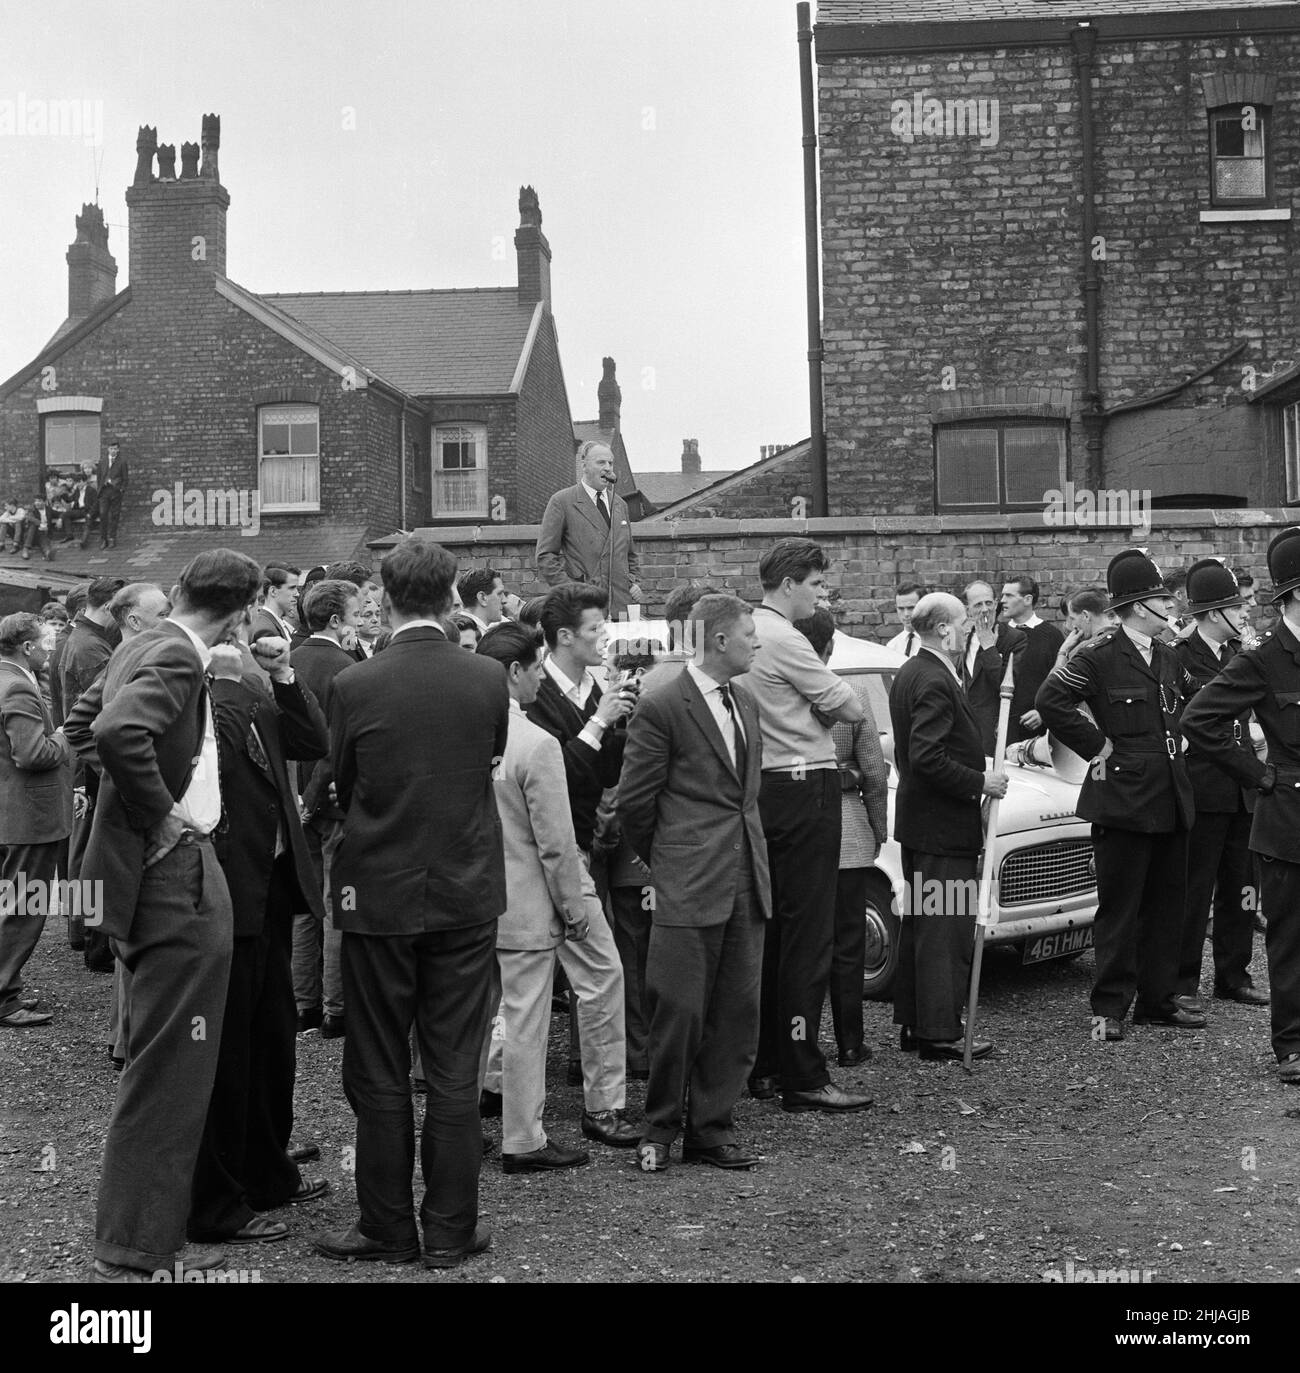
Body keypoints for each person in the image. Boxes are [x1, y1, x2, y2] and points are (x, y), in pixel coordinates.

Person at [312, 540, 507, 1270]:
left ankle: (388, 1225)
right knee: (456, 1069)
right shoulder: (487, 676)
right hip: (464, 891)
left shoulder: (356, 683)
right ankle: (451, 1230)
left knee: (379, 1066)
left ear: (385, 597)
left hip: (379, 894)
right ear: (453, 593)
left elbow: (342, 780)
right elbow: (490, 757)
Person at [85, 548, 262, 1282]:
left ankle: (144, 1236)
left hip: (156, 873)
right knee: (172, 1068)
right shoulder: (180, 657)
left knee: (166, 1058)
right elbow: (114, 732)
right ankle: (136, 1246)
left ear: (185, 588)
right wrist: (156, 815)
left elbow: (82, 720)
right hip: (175, 876)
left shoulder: (141, 642)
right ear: (243, 609)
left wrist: (120, 811)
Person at [187, 623, 331, 1246]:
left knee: (273, 1039)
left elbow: (309, 739)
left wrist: (283, 677)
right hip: (225, 889)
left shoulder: (252, 687)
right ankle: (218, 1199)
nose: (255, 643)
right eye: (245, 628)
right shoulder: (202, 690)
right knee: (228, 1052)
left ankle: (267, 1167)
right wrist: (225, 678)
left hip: (268, 883)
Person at [620, 593, 772, 1170]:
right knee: (678, 1009)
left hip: (744, 879)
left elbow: (747, 796)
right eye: (750, 634)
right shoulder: (663, 705)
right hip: (687, 879)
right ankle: (659, 1126)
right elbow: (635, 803)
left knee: (737, 1009)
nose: (758, 643)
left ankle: (712, 1129)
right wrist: (670, 860)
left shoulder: (747, 701)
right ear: (720, 641)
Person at [1036, 549, 1201, 1042]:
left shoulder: (1169, 655)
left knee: (1167, 905)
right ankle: (1110, 1006)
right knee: (1120, 908)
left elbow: (1185, 707)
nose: (1168, 609)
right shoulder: (1100, 655)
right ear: (1136, 606)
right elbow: (1050, 700)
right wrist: (1097, 745)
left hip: (1170, 794)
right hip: (1123, 796)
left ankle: (1157, 1000)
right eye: (1159, 601)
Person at [736, 538, 871, 1114]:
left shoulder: (743, 630)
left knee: (774, 933)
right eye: (816, 583)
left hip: (764, 787)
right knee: (808, 937)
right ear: (789, 583)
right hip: (803, 784)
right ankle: (804, 1074)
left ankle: (766, 1065)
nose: (822, 592)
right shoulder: (786, 636)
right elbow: (852, 707)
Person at [477, 622, 597, 1173]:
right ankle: (523, 1138)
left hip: (468, 905)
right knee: (525, 1024)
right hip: (523, 907)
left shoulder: (460, 733)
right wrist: (573, 908)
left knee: (470, 1022)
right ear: (514, 672)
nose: (539, 680)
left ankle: (461, 1128)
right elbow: (556, 843)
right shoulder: (537, 743)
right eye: (533, 669)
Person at [522, 585, 639, 1146]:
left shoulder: (596, 687)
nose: (604, 639)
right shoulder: (533, 691)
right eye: (595, 629)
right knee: (587, 972)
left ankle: (514, 1093)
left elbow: (603, 771)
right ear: (564, 636)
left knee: (570, 976)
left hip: (581, 845)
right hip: (545, 851)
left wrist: (615, 720)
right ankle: (601, 1105)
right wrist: (599, 725)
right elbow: (552, 775)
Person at [1182, 528, 1300, 1084]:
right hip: (1289, 820)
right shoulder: (1264, 660)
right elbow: (1199, 722)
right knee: (1290, 938)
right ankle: (1293, 1047)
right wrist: (1260, 775)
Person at [889, 593, 1003, 1060]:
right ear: (942, 630)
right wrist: (981, 781)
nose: (970, 628)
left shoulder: (913, 672)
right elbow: (926, 756)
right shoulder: (933, 679)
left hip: (923, 827)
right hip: (942, 833)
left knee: (922, 925)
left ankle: (919, 1024)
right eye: (963, 622)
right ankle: (939, 1031)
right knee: (944, 929)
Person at [1171, 560, 1266, 1010]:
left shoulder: (1241, 655)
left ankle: (1233, 975)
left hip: (1243, 788)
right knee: (1194, 890)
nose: (1246, 612)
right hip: (1202, 788)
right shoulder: (1176, 654)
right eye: (1236, 606)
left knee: (1241, 889)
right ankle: (1182, 980)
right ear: (1212, 613)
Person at [797, 608, 889, 1067]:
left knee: (802, 948)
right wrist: (879, 828)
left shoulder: (774, 694)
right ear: (830, 646)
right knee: (848, 947)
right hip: (849, 834)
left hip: (797, 838)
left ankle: (799, 1044)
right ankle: (851, 1043)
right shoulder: (848, 694)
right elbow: (874, 769)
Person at [289, 579, 362, 1038]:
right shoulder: (347, 668)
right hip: (330, 802)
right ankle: (336, 1011)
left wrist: (297, 805)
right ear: (336, 619)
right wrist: (314, 802)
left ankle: (304, 1005)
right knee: (337, 907)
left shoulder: (287, 661)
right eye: (357, 612)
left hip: (294, 803)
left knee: (303, 905)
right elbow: (335, 747)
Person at [0, 614, 73, 1028]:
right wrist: (64, 735)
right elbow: (32, 755)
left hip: (9, 812)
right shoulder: (18, 688)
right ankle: (4, 998)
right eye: (46, 643)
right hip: (28, 817)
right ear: (27, 647)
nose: (51, 650)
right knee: (22, 909)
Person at [535, 440, 642, 621]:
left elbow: (630, 554)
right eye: (601, 462)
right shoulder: (563, 501)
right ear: (584, 465)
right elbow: (545, 556)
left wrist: (634, 582)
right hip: (585, 609)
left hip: (621, 606)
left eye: (610, 463)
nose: (608, 468)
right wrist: (571, 592)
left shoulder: (620, 505)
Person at [959, 580, 1026, 756]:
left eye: (989, 603)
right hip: (963, 732)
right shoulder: (960, 638)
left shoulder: (1015, 638)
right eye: (978, 604)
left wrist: (989, 647)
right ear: (968, 610)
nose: (985, 609)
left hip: (995, 734)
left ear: (996, 604)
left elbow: (1008, 685)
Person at [999, 576, 1064, 743]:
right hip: (998, 728)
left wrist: (1044, 713)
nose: (1002, 601)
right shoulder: (997, 635)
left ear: (1028, 599)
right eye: (1002, 595)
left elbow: (1061, 684)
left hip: (1037, 733)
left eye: (1009, 596)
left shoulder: (1052, 636)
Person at [252, 564, 300, 643]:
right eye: (292, 588)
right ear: (273, 591)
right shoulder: (266, 630)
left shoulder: (275, 623)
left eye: (297, 588)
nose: (297, 594)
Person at [96, 439, 129, 549]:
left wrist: (121, 490)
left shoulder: (122, 462)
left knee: (114, 516)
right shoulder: (102, 461)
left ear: (118, 450)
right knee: (103, 514)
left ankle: (112, 539)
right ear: (108, 449)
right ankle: (103, 539)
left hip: (115, 492)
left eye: (115, 449)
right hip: (104, 492)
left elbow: (125, 479)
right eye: (111, 449)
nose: (113, 451)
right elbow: (99, 478)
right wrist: (99, 490)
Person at [458, 567, 505, 637]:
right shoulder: (466, 637)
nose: (504, 600)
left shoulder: (455, 631)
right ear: (482, 598)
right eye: (499, 593)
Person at [885, 582, 925, 657]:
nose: (906, 614)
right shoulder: (892, 646)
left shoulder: (936, 643)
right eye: (901, 608)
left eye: (911, 608)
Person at [19, 496, 54, 561]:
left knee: (44, 540)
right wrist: (41, 524)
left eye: (39, 501)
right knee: (33, 525)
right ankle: (25, 549)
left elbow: (60, 513)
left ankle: (47, 553)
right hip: (30, 535)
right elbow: (28, 517)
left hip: (42, 534)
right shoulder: (31, 509)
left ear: (44, 502)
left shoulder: (49, 509)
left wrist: (60, 519)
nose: (37, 503)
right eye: (36, 501)